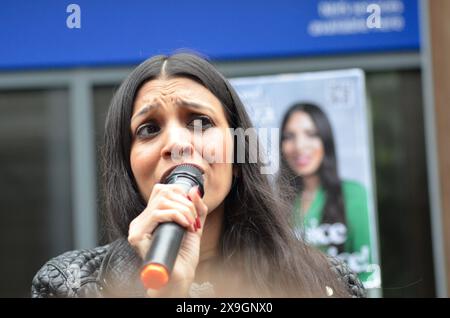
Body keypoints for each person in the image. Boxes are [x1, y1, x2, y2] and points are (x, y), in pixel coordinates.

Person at [31, 53, 365, 298]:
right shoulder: (69, 285)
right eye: (148, 129)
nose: (176, 143)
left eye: (201, 122)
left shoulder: (328, 284)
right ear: (129, 166)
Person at [278, 102, 374, 285]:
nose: (299, 146)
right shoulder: (276, 201)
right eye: (289, 136)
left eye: (311, 134)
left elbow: (368, 271)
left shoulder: (353, 195)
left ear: (325, 140)